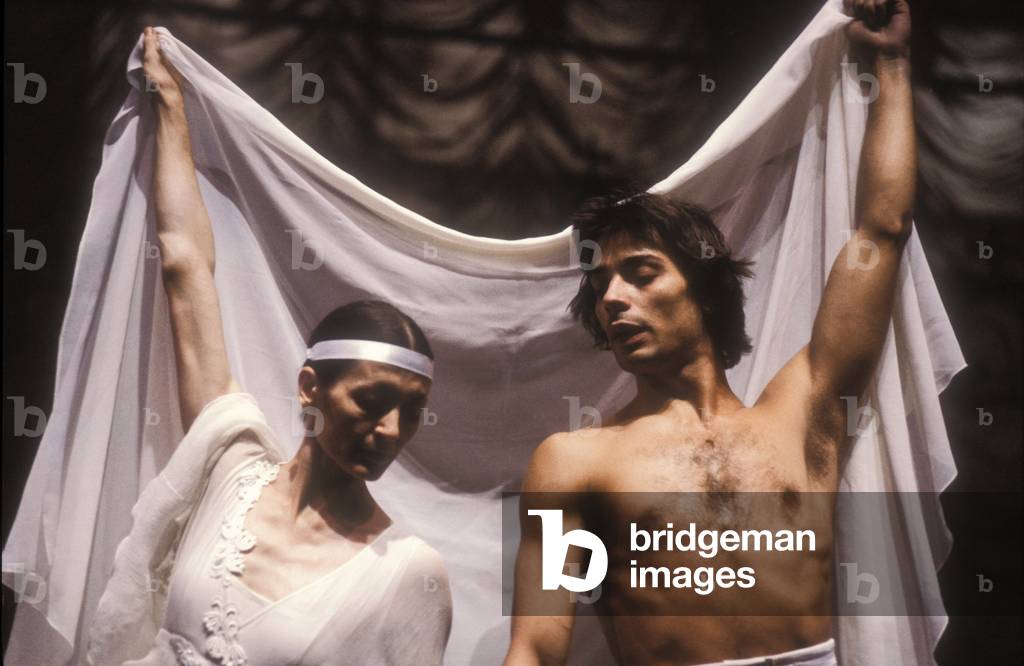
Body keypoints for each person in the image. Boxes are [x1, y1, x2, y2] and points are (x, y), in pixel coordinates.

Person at [505, 0, 914, 664]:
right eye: (600, 284)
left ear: (702, 287)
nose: (613, 297)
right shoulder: (573, 464)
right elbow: (538, 646)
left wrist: (892, 63)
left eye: (640, 272)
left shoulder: (805, 413)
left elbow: (882, 230)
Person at [86, 27, 452, 666]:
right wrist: (173, 112)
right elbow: (185, 268)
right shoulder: (231, 469)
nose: (392, 428)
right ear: (311, 387)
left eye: (413, 411)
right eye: (371, 399)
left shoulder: (406, 573)